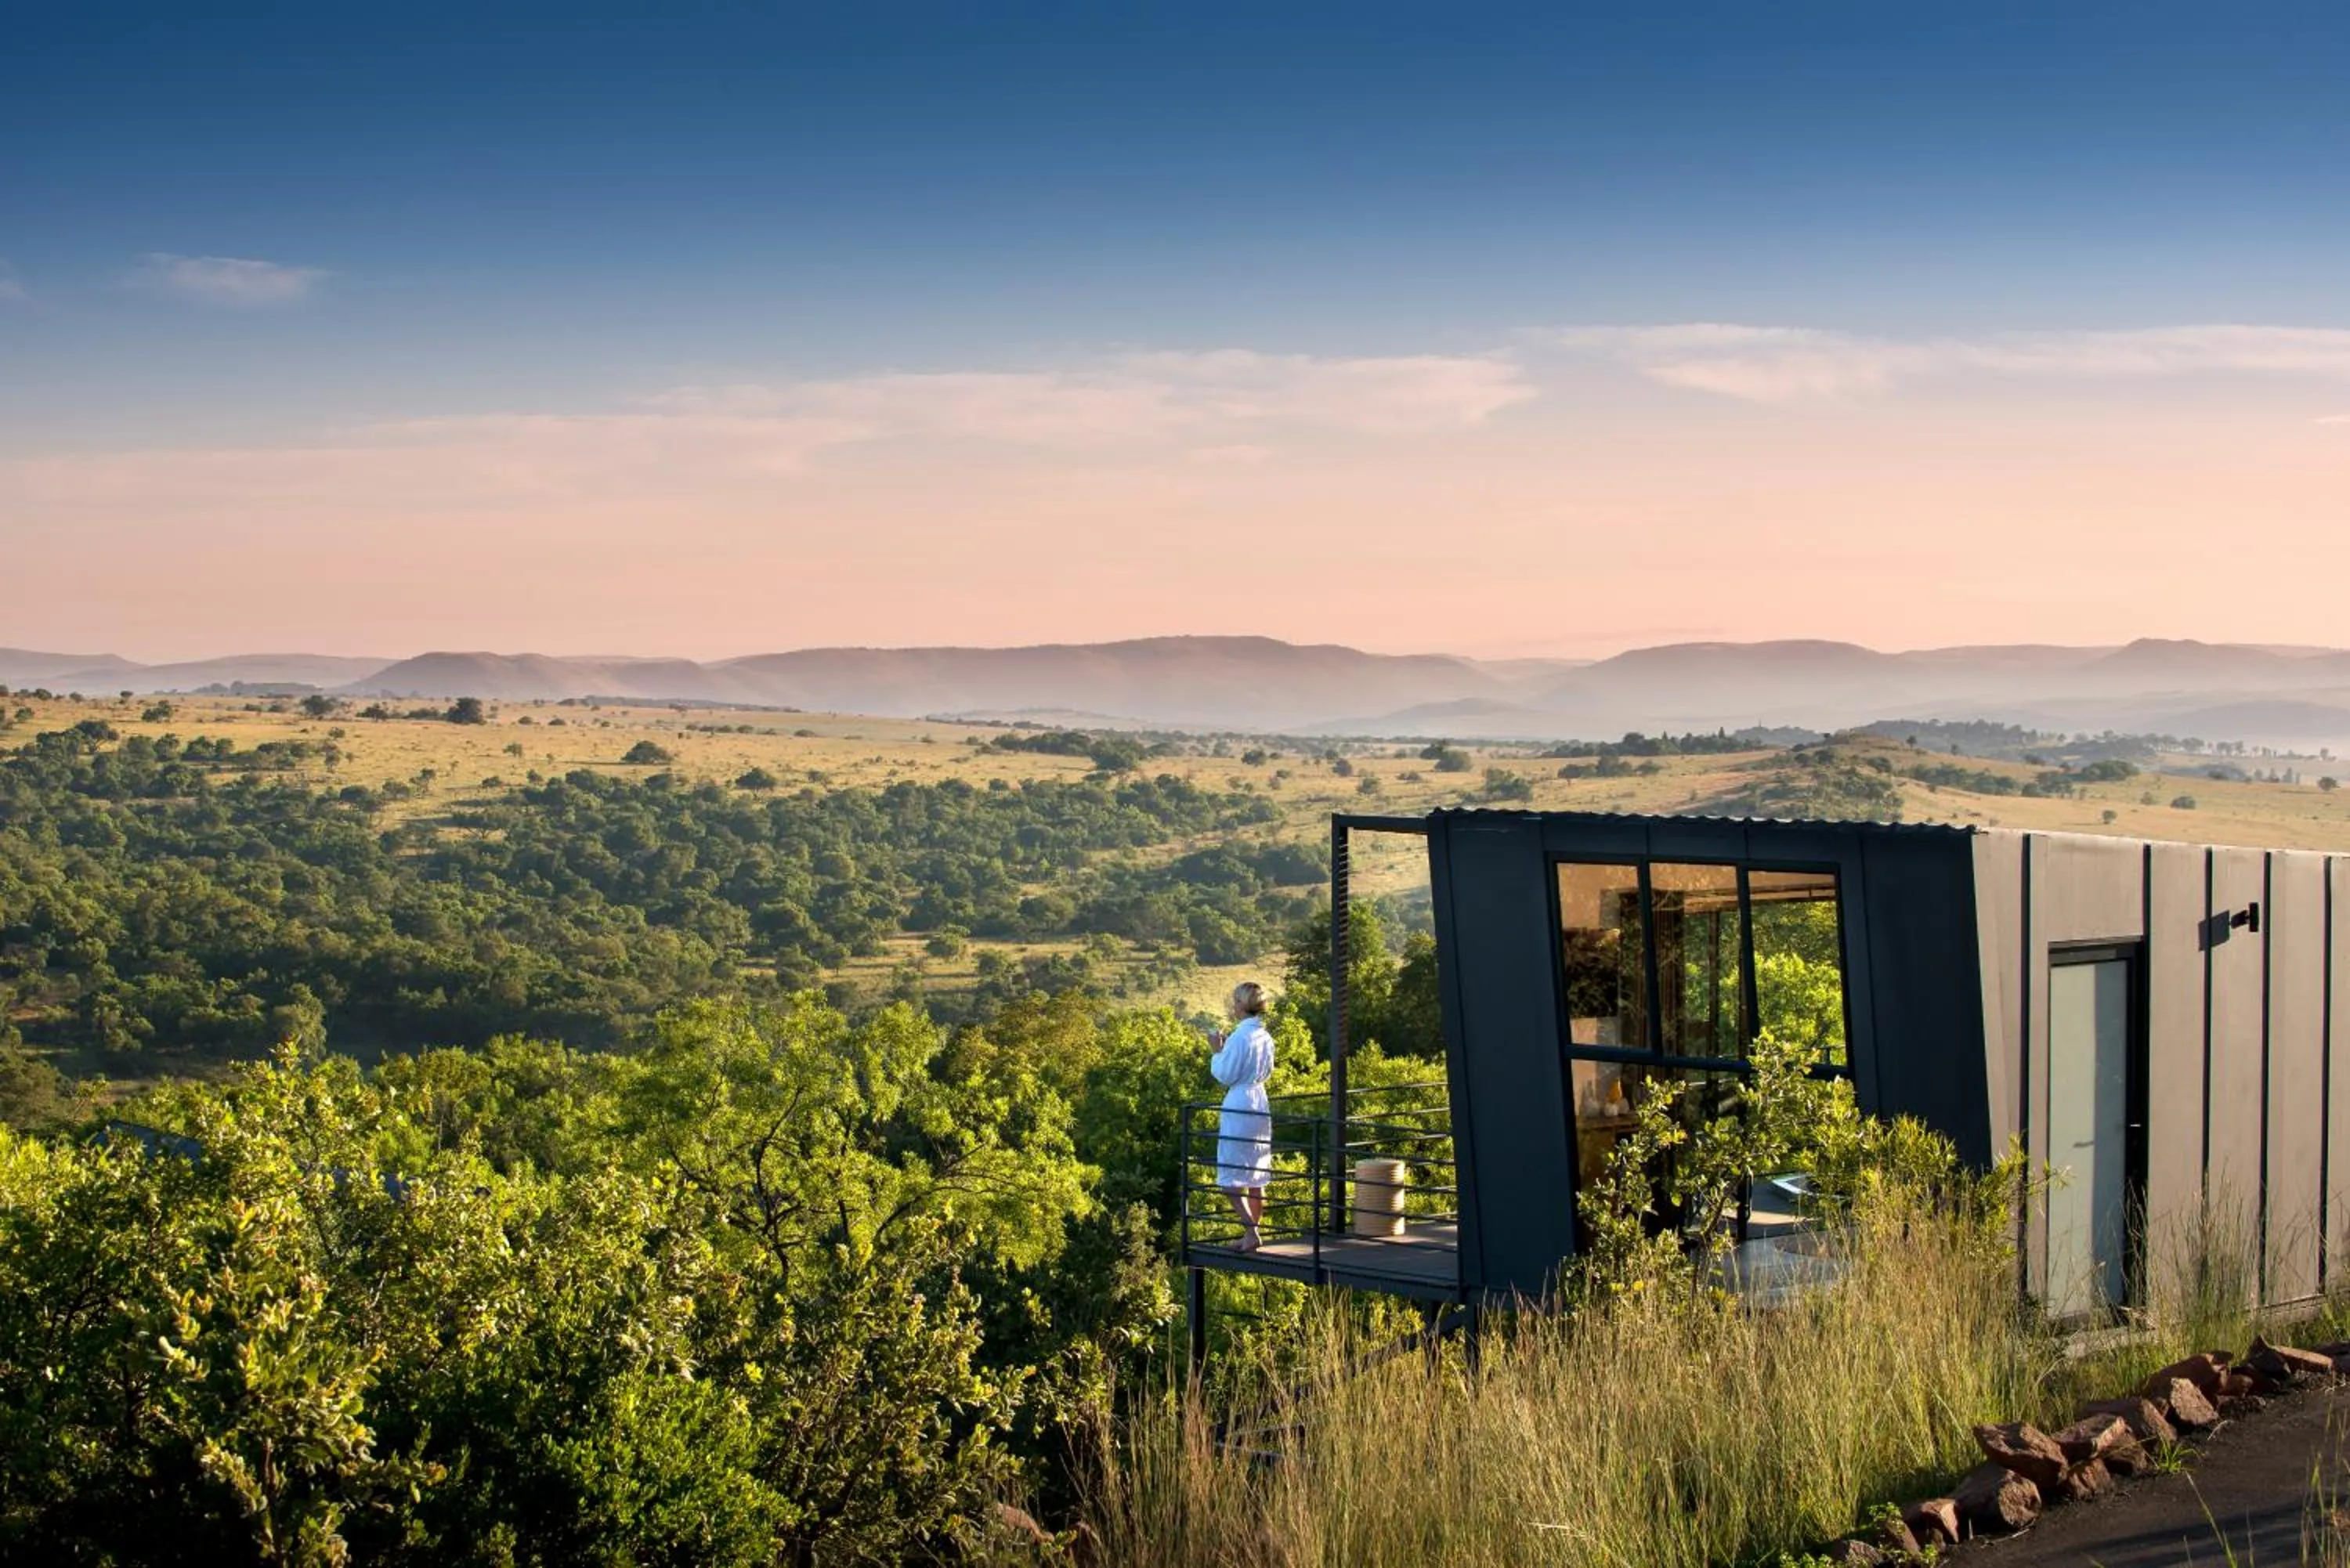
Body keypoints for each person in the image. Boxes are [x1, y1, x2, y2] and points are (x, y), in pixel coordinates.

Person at [1208, 981, 1276, 1252]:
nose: (1233, 1006)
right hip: (1259, 1102)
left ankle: (1250, 1231)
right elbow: (1266, 1069)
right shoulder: (1264, 1036)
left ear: (1242, 1005)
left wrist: (1217, 1050)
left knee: (1231, 1177)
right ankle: (1252, 1234)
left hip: (1240, 1103)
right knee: (1256, 1173)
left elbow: (1225, 1074)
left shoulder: (1240, 1037)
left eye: (1236, 1001)